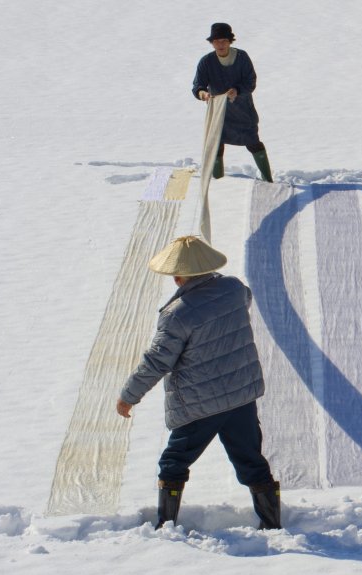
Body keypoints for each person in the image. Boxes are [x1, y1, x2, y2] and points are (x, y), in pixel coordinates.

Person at [115, 235, 281, 530]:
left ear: (179, 276)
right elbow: (245, 298)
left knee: (173, 463)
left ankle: (166, 524)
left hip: (200, 404)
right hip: (240, 397)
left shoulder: (177, 315)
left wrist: (129, 395)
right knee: (251, 460)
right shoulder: (234, 289)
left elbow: (157, 361)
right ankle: (272, 524)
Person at [192, 22, 273, 182]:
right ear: (212, 43)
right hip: (218, 113)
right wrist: (203, 94)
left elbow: (251, 81)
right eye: (216, 41)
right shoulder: (206, 62)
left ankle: (268, 178)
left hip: (243, 111)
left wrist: (237, 90)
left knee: (253, 142)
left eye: (223, 41)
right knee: (216, 145)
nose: (220, 45)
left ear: (230, 41)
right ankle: (219, 180)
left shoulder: (242, 58)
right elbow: (198, 86)